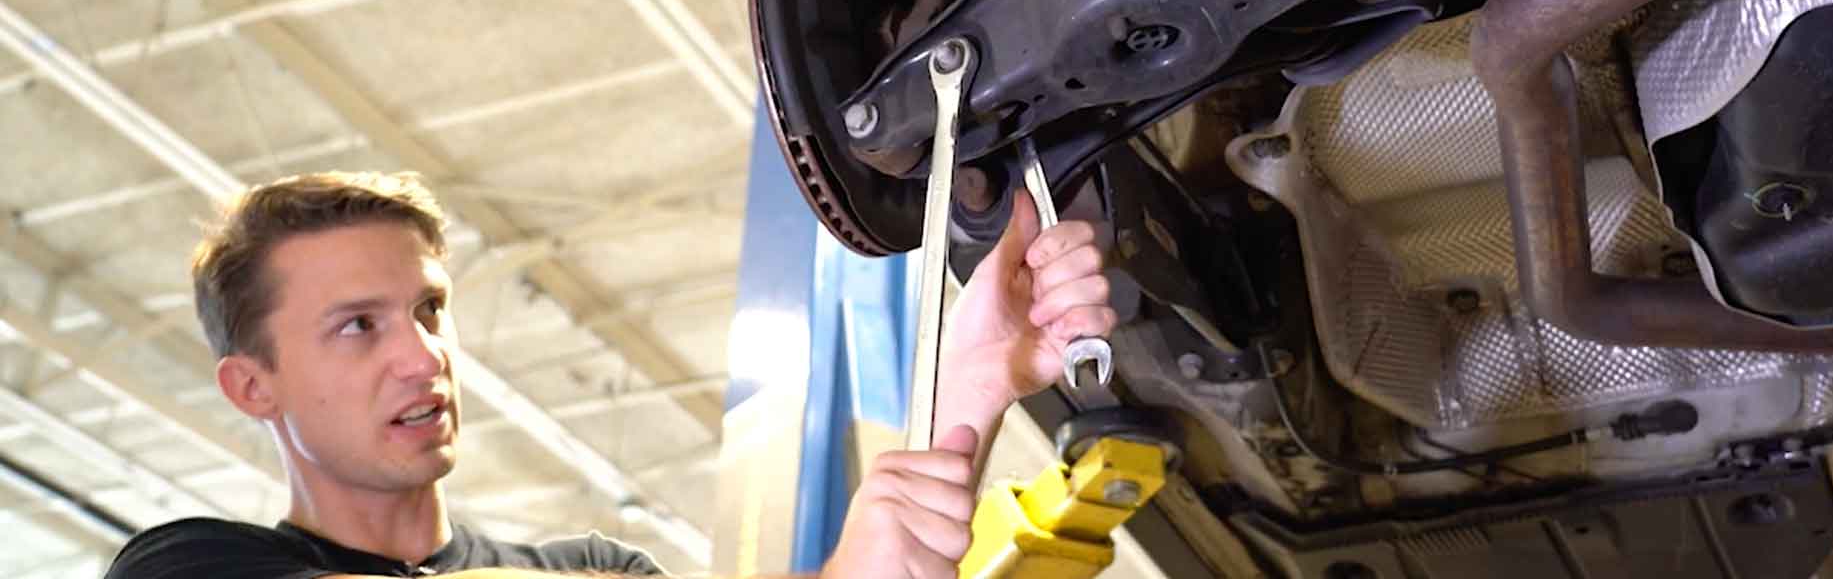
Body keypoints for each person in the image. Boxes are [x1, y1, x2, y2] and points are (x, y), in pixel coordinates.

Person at [104, 171, 1116, 578]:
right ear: (253, 386)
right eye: (358, 327)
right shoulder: (189, 570)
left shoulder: (593, 569)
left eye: (429, 311)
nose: (421, 356)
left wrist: (971, 382)